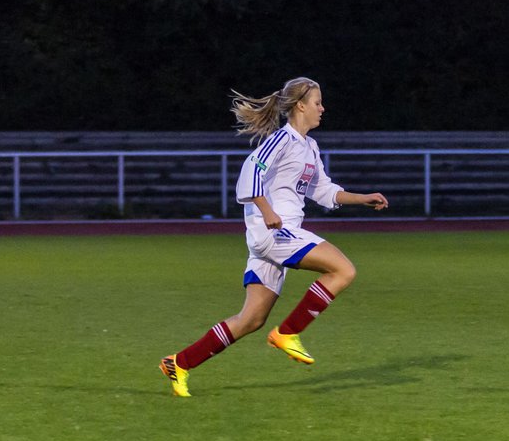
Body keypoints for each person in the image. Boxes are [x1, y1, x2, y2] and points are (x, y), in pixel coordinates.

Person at [159, 77, 389, 397]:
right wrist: (266, 209)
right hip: (274, 233)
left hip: (274, 238)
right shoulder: (282, 139)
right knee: (343, 270)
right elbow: (251, 169)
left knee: (250, 319)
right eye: (318, 102)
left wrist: (362, 198)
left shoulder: (308, 146)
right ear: (300, 106)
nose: (323, 108)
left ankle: (178, 363)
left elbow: (323, 191)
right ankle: (288, 332)